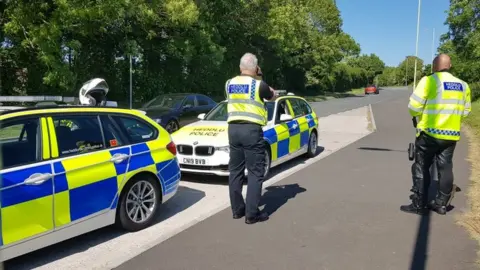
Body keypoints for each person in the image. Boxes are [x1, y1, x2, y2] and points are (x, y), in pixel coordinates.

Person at [400, 53, 471, 215]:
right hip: (451, 135)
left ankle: (418, 204)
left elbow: (413, 106)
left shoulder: (429, 81)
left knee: (421, 166)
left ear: (434, 67)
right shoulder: (463, 85)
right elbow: (466, 112)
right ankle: (441, 204)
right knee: (445, 167)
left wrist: (419, 115)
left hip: (429, 134)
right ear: (450, 66)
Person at [225, 52, 277, 224]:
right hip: (251, 131)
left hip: (233, 130)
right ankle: (252, 214)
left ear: (240, 67)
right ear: (256, 68)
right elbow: (272, 95)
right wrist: (260, 76)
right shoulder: (258, 85)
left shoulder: (229, 83)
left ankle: (237, 210)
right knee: (255, 172)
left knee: (235, 171)